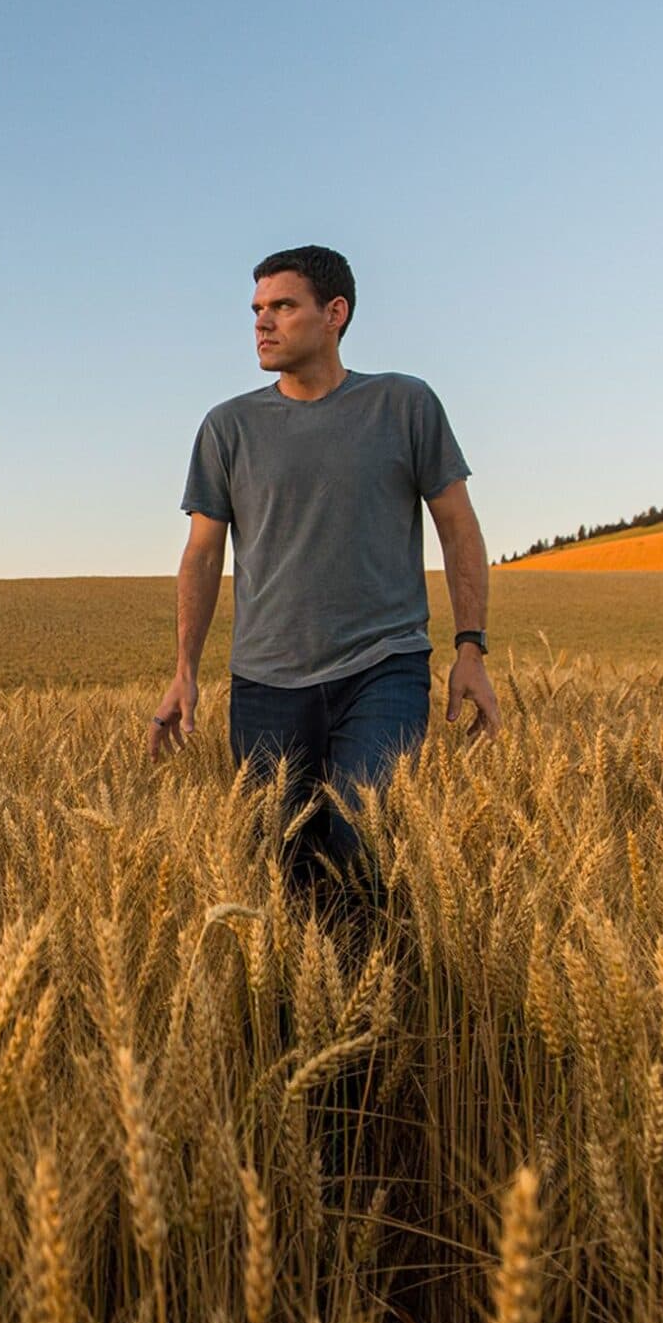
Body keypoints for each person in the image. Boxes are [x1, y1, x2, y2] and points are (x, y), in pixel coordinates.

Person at [149, 245, 503, 911]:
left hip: (383, 667)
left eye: (282, 306)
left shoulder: (404, 403)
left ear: (334, 313)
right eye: (256, 309)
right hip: (266, 683)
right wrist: (184, 670)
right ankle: (305, 1008)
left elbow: (457, 524)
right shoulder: (228, 427)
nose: (262, 322)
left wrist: (471, 648)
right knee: (284, 871)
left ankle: (378, 1000)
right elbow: (201, 554)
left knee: (359, 839)